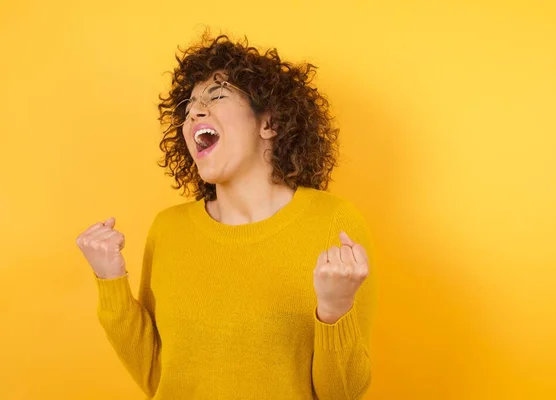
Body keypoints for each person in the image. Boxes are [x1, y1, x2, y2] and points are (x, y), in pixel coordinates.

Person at [76, 31, 377, 400]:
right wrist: (110, 279)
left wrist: (335, 310)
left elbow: (341, 394)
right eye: (188, 109)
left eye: (215, 97)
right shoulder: (168, 229)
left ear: (269, 124)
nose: (194, 113)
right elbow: (157, 378)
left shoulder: (334, 222)